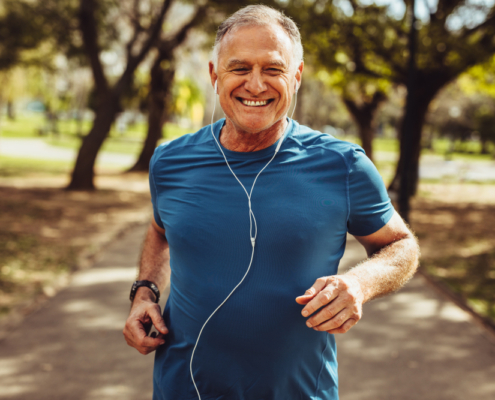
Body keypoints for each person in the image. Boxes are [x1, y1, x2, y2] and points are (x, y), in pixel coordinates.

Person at [123, 5, 419, 400]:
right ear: (215, 75)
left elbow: (401, 245)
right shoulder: (170, 161)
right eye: (240, 68)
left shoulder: (344, 164)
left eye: (273, 69)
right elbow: (161, 230)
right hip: (181, 387)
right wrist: (145, 292)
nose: (256, 85)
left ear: (296, 77)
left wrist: (358, 284)